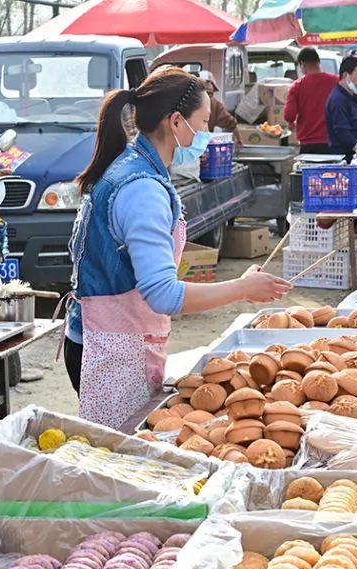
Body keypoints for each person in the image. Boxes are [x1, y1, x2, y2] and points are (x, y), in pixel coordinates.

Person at [64, 68, 292, 429]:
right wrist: (241, 289)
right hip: (115, 351)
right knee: (125, 461)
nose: (205, 136)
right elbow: (163, 295)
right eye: (202, 124)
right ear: (175, 122)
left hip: (111, 338)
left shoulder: (132, 167)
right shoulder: (142, 189)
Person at [284, 48, 340, 154]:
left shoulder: (297, 86)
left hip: (308, 144)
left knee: (310, 170)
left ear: (303, 65)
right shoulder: (337, 82)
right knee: (334, 171)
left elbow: (289, 115)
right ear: (319, 62)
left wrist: (291, 123)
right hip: (335, 141)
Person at [326, 55, 357, 162]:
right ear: (346, 75)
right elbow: (341, 131)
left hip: (355, 156)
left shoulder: (352, 96)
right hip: (344, 159)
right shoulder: (338, 99)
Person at [198, 70, 237, 135]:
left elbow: (231, 123)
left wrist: (239, 139)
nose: (210, 87)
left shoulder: (216, 105)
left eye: (210, 93)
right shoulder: (188, 101)